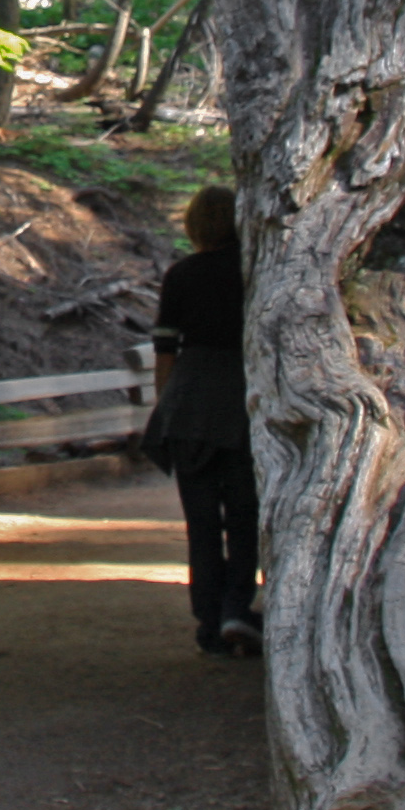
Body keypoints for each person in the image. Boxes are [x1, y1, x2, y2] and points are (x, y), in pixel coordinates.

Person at [150, 185, 261, 656]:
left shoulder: (181, 274)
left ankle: (209, 621)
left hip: (190, 402)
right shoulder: (254, 273)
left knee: (201, 523)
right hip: (243, 399)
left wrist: (166, 406)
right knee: (244, 516)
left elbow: (165, 350)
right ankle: (238, 609)